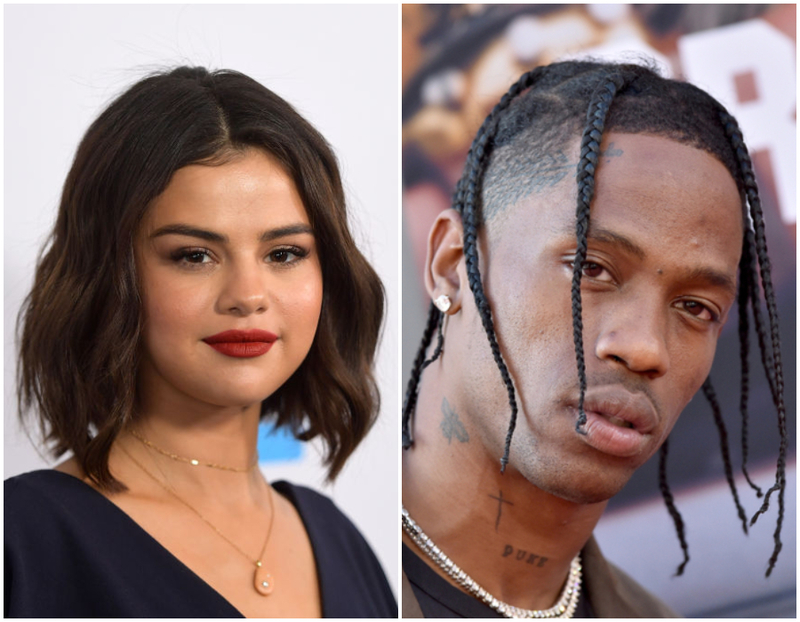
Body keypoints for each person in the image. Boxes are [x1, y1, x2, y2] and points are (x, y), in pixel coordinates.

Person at [401, 60, 788, 618]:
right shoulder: (302, 571)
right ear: (453, 265)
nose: (645, 348)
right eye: (592, 269)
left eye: (695, 307)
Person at [6, 67, 396, 618]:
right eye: (194, 255)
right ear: (110, 275)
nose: (247, 296)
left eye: (284, 253)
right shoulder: (25, 539)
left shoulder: (340, 543)